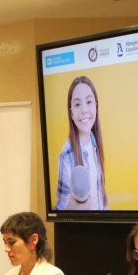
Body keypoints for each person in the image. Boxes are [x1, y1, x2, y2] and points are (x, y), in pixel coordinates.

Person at [56, 76, 108, 211]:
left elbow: (101, 194)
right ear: (71, 113)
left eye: (89, 102)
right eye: (77, 104)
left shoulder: (95, 142)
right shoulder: (66, 156)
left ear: (96, 106)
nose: (84, 110)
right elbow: (61, 211)